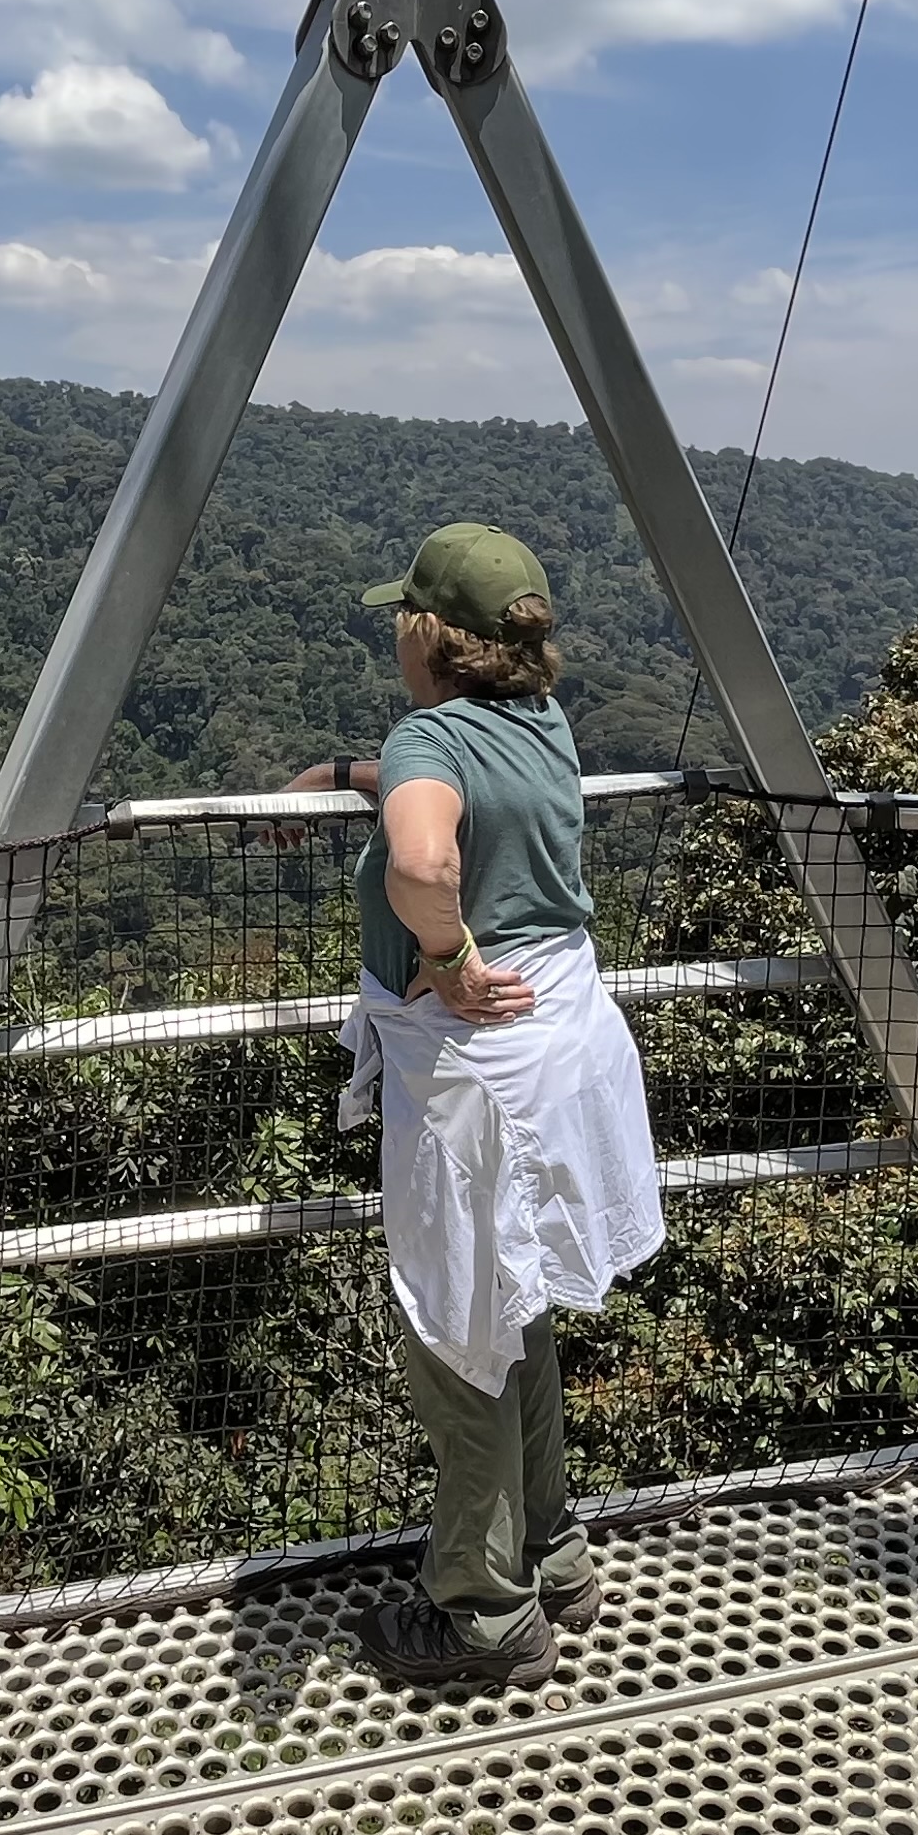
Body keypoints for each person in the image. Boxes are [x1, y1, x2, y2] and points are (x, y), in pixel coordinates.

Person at [278, 522, 664, 1688]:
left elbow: (426, 863)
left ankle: (484, 1617)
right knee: (522, 1304)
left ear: (429, 636)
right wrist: (349, 777)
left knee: (457, 1339)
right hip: (562, 1042)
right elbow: (461, 792)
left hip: (474, 1075)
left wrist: (442, 955)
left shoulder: (428, 734)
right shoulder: (539, 723)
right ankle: (555, 1555)